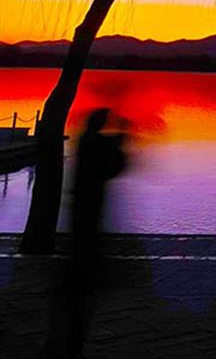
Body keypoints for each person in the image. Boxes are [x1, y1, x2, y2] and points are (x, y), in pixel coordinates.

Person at [48, 108, 128, 357]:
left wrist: (120, 136)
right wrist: (123, 135)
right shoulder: (92, 142)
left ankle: (78, 276)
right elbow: (112, 166)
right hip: (89, 204)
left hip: (83, 204)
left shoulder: (86, 139)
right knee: (86, 244)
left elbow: (109, 151)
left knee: (82, 243)